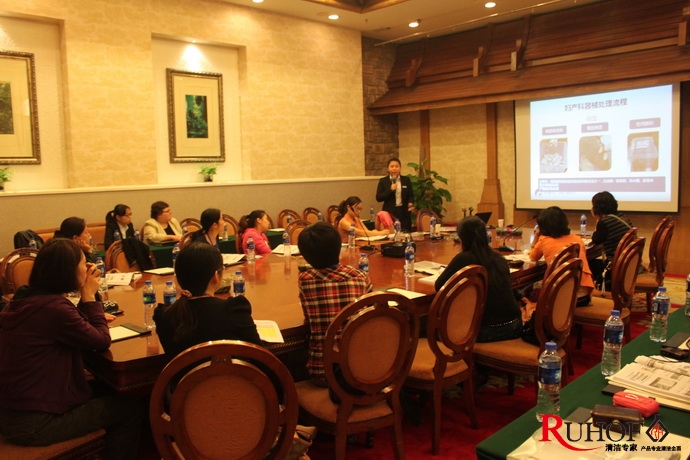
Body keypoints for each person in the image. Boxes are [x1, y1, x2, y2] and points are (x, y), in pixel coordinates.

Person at [0, 239, 144, 460]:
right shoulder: (54, 308)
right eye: (83, 263)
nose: (88, 268)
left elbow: (69, 327)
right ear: (67, 271)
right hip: (37, 422)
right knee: (131, 409)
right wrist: (89, 296)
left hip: (15, 411)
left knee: (110, 389)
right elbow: (101, 340)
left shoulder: (25, 299)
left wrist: (87, 311)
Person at [153, 243, 262, 358]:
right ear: (215, 276)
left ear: (178, 278)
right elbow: (262, 356)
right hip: (231, 370)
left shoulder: (164, 315)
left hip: (187, 371)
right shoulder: (234, 309)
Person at [297, 222, 372, 384]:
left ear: (305, 256)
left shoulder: (305, 280)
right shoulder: (360, 276)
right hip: (362, 370)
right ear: (339, 247)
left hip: (324, 371)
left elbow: (308, 319)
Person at [435, 216, 522, 342]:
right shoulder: (499, 258)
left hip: (489, 330)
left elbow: (439, 286)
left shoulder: (464, 259)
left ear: (461, 238)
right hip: (515, 325)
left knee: (430, 330)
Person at [529, 206, 594, 306]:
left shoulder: (544, 240)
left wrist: (537, 235)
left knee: (529, 293)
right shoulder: (577, 240)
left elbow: (533, 257)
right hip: (584, 298)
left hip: (561, 300)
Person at [590, 191, 634, 285]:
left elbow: (595, 240)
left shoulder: (605, 222)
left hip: (616, 266)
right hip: (629, 263)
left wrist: (598, 219)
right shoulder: (622, 216)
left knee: (585, 265)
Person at [376, 158, 415, 231]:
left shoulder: (406, 180)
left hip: (404, 212)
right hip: (389, 213)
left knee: (405, 233)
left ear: (400, 168)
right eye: (392, 166)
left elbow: (411, 195)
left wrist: (410, 202)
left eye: (397, 166)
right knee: (391, 234)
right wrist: (390, 190)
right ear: (388, 168)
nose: (394, 168)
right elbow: (378, 198)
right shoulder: (383, 181)